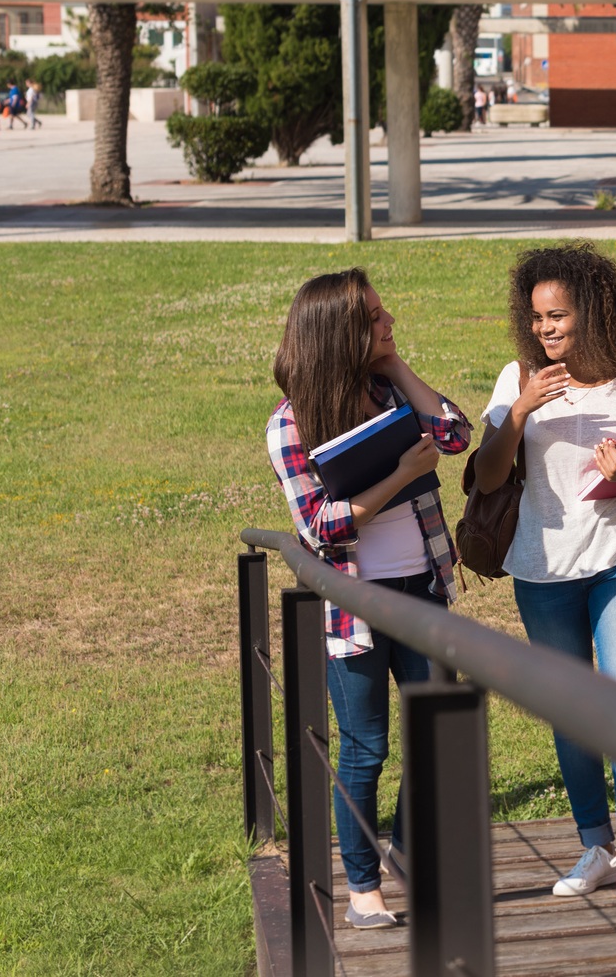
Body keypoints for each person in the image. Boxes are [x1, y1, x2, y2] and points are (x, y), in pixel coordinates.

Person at [266, 269, 471, 931]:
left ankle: (406, 847)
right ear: (342, 332)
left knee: (433, 733)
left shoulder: (390, 391)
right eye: (379, 319)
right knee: (365, 747)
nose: (391, 323)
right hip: (352, 602)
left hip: (423, 589)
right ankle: (362, 886)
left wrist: (398, 365)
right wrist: (403, 474)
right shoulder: (289, 423)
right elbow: (319, 525)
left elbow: (455, 436)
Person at [474, 242, 616, 900]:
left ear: (591, 311)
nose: (545, 328)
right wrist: (522, 409)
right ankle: (596, 845)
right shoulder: (518, 379)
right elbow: (489, 474)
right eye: (537, 318)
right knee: (571, 709)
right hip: (542, 566)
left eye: (557, 314)